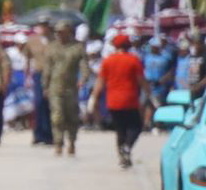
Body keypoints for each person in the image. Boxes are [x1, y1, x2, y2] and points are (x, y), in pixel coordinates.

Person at [91, 32, 147, 169]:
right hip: (130, 100)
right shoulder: (134, 60)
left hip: (113, 101)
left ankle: (122, 157)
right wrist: (149, 94)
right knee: (136, 126)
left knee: (120, 129)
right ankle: (127, 148)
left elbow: (100, 82)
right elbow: (141, 81)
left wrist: (94, 98)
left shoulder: (108, 61)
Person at [43, 21, 87, 156]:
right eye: (57, 32)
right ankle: (58, 143)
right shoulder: (51, 47)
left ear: (69, 32)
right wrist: (45, 85)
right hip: (55, 87)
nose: (59, 35)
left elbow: (84, 66)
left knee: (72, 117)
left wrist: (83, 79)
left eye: (62, 32)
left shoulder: (77, 47)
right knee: (57, 116)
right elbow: (47, 68)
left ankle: (72, 142)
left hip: (71, 88)